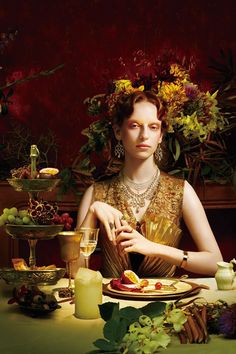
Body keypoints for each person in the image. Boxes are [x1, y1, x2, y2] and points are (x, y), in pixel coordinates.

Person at [76, 90, 223, 278]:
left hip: (167, 304)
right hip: (108, 305)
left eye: (153, 127)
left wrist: (153, 248)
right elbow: (76, 273)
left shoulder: (181, 191)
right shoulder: (95, 193)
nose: (144, 135)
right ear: (118, 131)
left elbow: (216, 264)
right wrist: (92, 211)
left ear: (161, 135)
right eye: (135, 125)